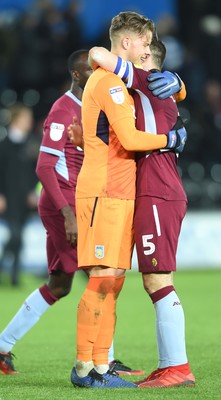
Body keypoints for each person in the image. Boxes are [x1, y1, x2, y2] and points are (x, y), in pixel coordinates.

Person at [0, 49, 143, 377]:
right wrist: (67, 214)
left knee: (62, 285)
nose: (98, 74)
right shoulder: (64, 110)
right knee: (101, 275)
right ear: (77, 75)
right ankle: (103, 359)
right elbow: (45, 166)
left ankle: (3, 346)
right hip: (64, 206)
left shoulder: (93, 106)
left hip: (82, 204)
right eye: (90, 70)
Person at [69, 11, 187, 389]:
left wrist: (179, 82)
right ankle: (89, 368)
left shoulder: (147, 82)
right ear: (129, 44)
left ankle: (122, 366)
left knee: (125, 278)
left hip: (145, 191)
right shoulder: (119, 82)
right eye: (144, 41)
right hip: (115, 190)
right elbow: (97, 55)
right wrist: (173, 137)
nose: (147, 47)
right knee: (110, 277)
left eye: (152, 46)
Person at [0, 103, 38, 287]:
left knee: (18, 236)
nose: (29, 121)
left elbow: (35, 171)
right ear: (16, 120)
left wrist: (33, 191)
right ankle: (13, 277)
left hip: (25, 198)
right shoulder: (4, 145)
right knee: (16, 235)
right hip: (8, 198)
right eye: (25, 118)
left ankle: (9, 273)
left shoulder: (30, 143)